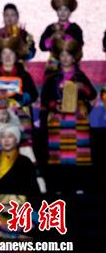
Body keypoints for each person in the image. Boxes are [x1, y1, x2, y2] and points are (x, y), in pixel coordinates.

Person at [38, 39, 97, 195]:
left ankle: (79, 185)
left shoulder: (80, 76)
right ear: (58, 56)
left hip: (77, 120)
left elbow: (92, 95)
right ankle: (58, 186)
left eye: (68, 55)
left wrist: (82, 88)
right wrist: (54, 106)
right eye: (62, 55)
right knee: (58, 155)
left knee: (78, 154)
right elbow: (45, 99)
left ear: (74, 57)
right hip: (58, 120)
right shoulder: (52, 78)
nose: (65, 58)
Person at [0, 124, 40, 253]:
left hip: (20, 211)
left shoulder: (25, 162)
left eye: (10, 136)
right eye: (3, 137)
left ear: (17, 139)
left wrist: (33, 216)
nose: (6, 140)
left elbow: (33, 190)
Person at [39, 0, 83, 74]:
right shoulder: (50, 28)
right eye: (60, 10)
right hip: (53, 65)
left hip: (71, 63)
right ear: (56, 12)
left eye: (66, 10)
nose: (62, 12)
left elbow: (79, 45)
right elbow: (42, 46)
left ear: (70, 12)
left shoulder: (75, 28)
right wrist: (52, 37)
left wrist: (64, 36)